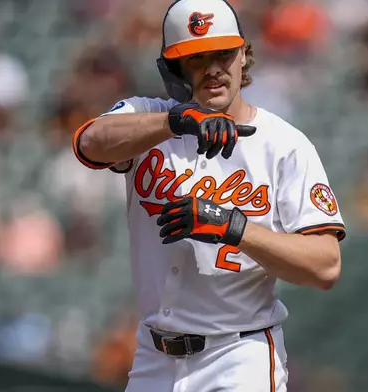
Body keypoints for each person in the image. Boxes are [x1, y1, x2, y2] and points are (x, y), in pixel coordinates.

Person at [72, 0, 346, 390]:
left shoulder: (284, 145)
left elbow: (325, 266)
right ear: (175, 69)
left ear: (243, 57)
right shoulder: (149, 118)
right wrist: (173, 122)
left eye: (223, 53)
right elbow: (88, 143)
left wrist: (234, 228)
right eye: (198, 58)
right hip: (153, 359)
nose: (214, 68)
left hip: (238, 357)